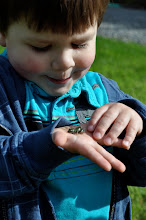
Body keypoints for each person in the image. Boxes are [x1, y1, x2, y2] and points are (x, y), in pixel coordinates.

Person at [0, 0, 145, 219]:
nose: (64, 62)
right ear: (3, 32)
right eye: (41, 47)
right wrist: (48, 144)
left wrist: (138, 132)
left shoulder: (103, 94)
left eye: (79, 44)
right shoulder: (4, 94)